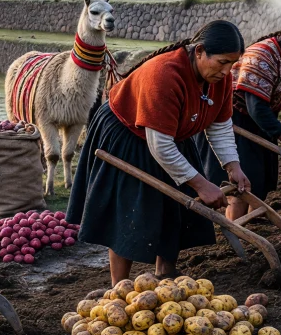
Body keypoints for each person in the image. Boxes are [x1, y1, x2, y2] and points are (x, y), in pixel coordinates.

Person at [69, 20, 251, 284]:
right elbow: (161, 146)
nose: (226, 70)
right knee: (129, 208)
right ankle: (119, 286)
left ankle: (166, 272)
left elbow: (220, 126)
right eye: (222, 62)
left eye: (232, 64)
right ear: (199, 51)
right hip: (127, 131)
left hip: (172, 133)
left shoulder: (219, 80)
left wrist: (233, 166)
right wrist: (201, 184)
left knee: (175, 203)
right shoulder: (164, 75)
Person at [200, 18, 281, 221]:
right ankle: (236, 226)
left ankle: (249, 222)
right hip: (235, 118)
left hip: (262, 119)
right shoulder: (261, 55)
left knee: (262, 178)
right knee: (242, 182)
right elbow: (255, 107)